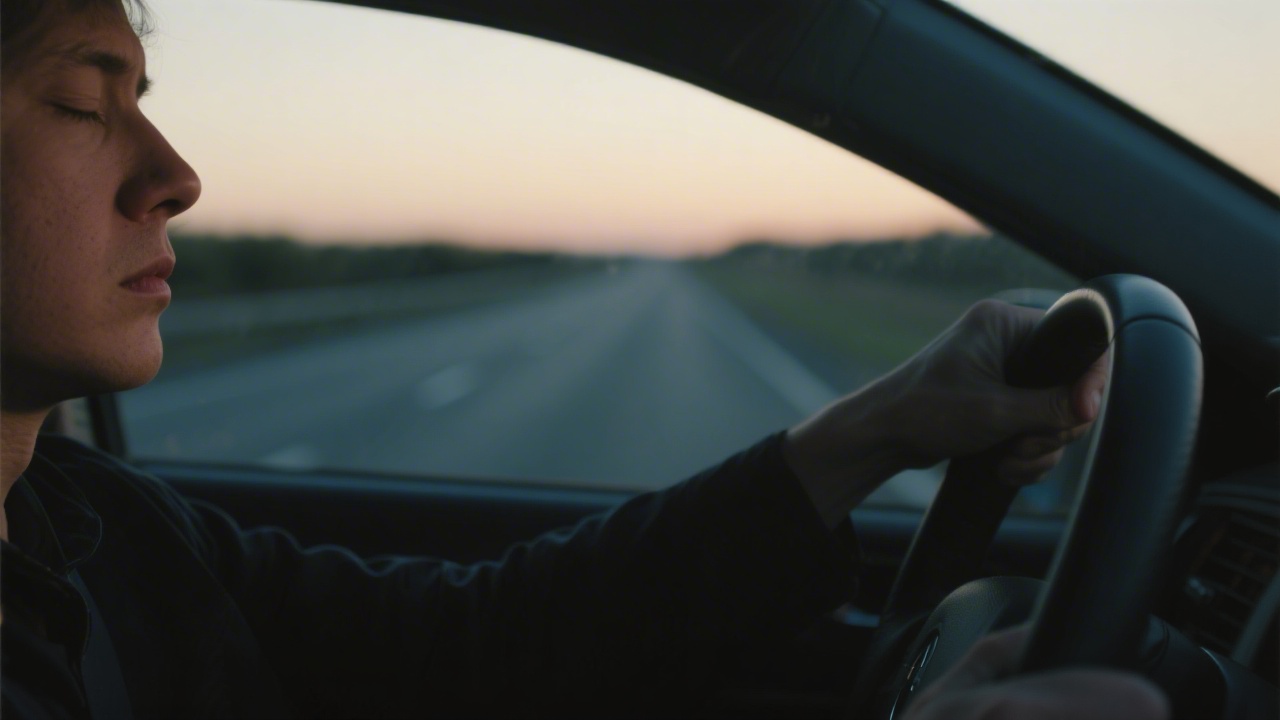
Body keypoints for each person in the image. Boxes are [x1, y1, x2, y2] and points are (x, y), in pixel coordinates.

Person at [0, 0, 1170, 718]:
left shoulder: (98, 521)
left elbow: (476, 649)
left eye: (145, 101)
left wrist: (881, 425)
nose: (177, 176)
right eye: (78, 106)